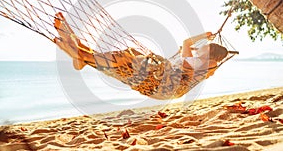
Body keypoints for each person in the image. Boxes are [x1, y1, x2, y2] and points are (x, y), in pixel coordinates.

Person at [53, 12, 228, 100]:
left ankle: (81, 53)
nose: (202, 47)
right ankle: (82, 53)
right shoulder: (193, 57)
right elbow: (186, 42)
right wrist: (204, 35)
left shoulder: (210, 64)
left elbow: (198, 69)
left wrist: (203, 53)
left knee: (129, 57)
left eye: (205, 46)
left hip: (169, 84)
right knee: (129, 56)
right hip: (161, 76)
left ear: (211, 52)